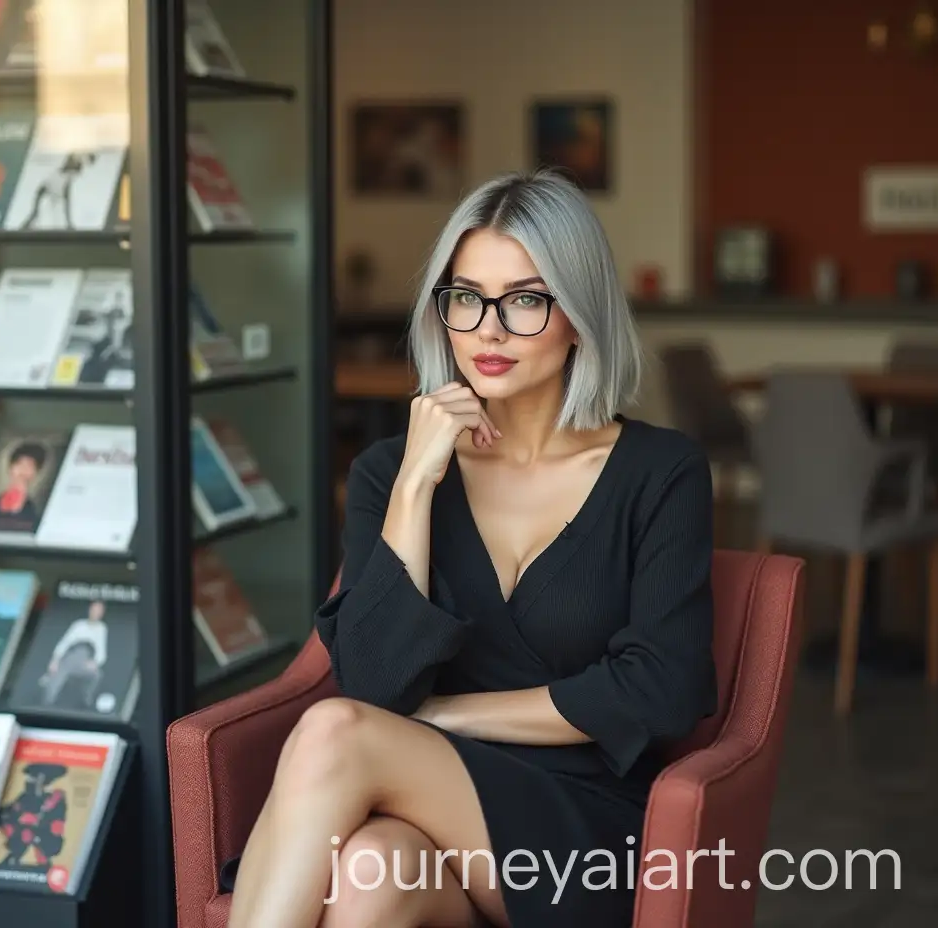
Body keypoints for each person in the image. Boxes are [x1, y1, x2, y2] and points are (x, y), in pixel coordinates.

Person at [223, 169, 718, 928]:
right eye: (466, 298)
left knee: (332, 732)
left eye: (523, 300)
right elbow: (375, 685)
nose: (488, 330)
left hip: (582, 824)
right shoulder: (389, 471)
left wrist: (443, 716)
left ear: (578, 315)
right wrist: (418, 482)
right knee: (367, 875)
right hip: (424, 816)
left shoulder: (660, 471)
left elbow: (661, 690)